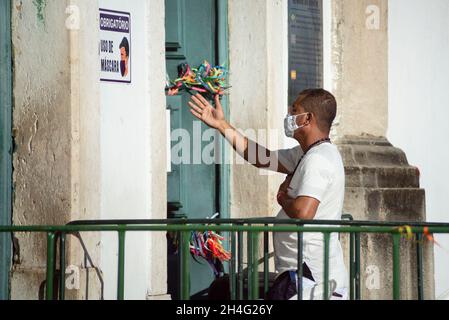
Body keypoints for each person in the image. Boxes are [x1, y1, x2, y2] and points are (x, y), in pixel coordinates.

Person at [188, 89, 348, 299]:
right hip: (300, 275)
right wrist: (221, 125)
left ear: (308, 118)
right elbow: (261, 157)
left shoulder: (318, 159)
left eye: (294, 110)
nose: (289, 116)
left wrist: (282, 198)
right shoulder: (306, 153)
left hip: (311, 281)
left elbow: (303, 212)